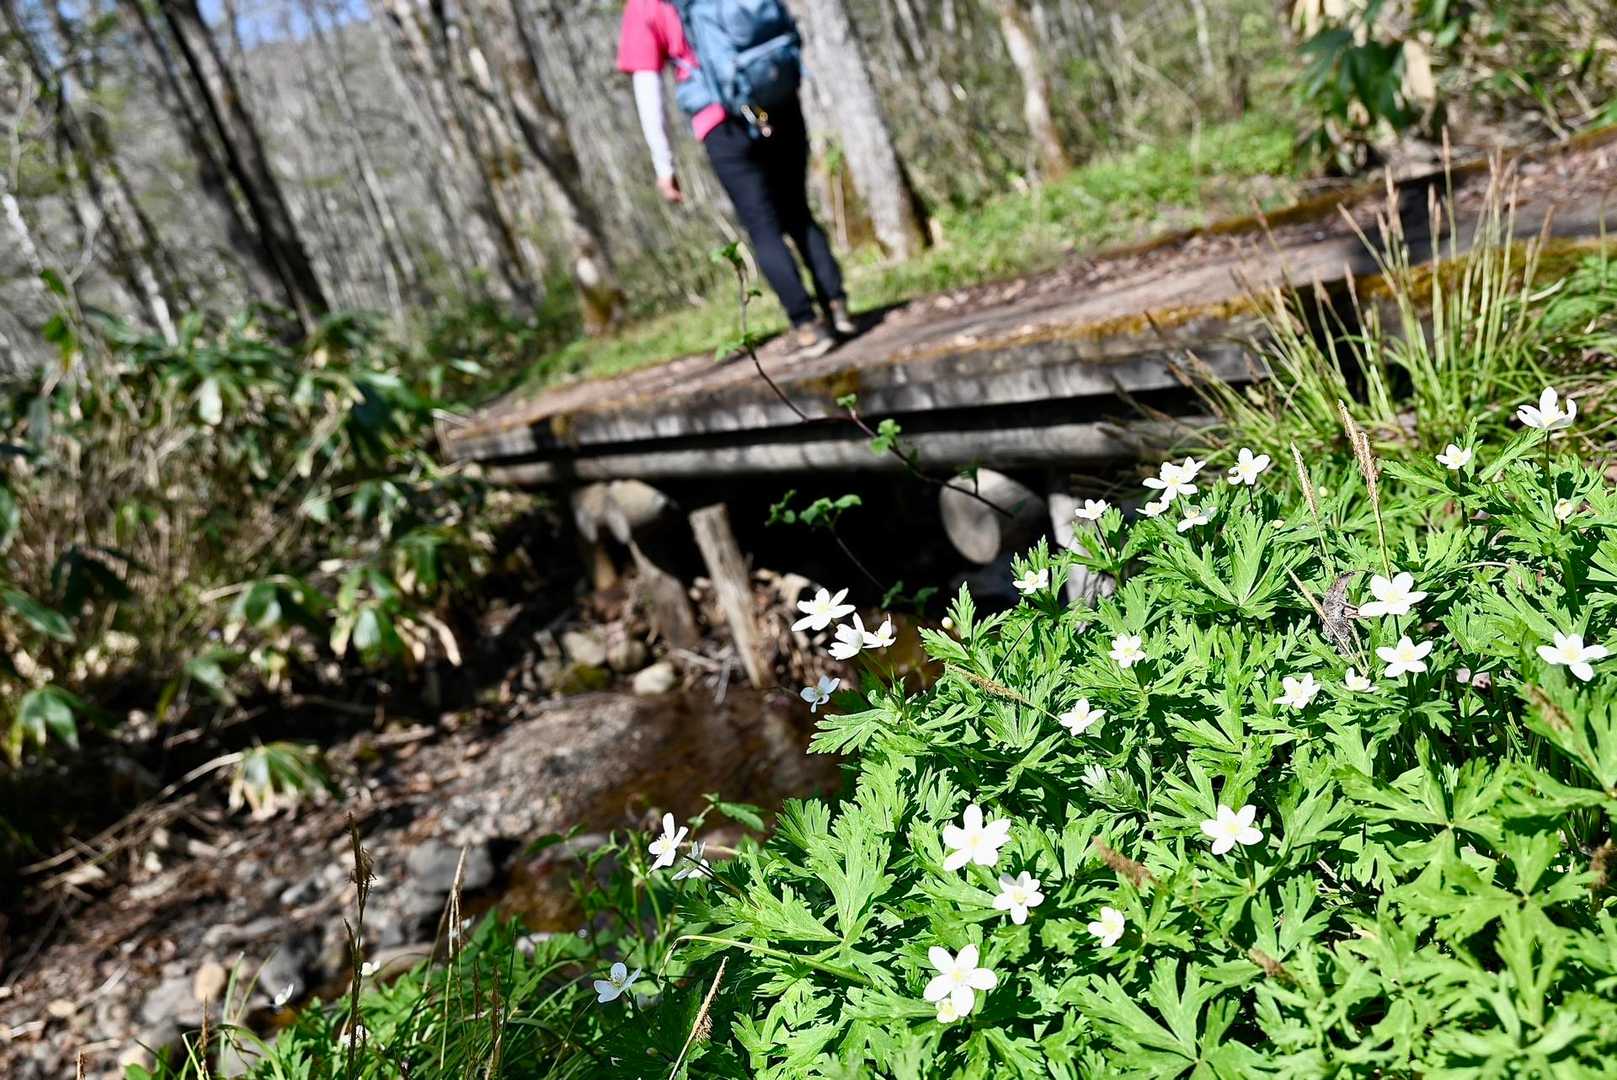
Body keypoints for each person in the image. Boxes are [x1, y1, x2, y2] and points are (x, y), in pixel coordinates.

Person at [617, 0, 855, 360]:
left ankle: (807, 326)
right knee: (798, 211)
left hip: (721, 123)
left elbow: (647, 87)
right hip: (772, 98)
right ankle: (838, 307)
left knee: (763, 227)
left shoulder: (644, 6)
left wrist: (664, 165)